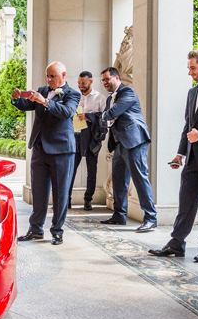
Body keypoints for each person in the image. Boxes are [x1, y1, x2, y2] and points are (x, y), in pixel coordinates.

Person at [148, 50, 198, 261]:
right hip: (192, 158)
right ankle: (176, 243)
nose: (190, 73)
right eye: (189, 68)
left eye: (193, 68)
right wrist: (180, 153)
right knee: (186, 203)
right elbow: (188, 125)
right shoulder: (192, 93)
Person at [12, 61, 81, 245]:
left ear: (63, 75)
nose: (49, 80)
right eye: (47, 76)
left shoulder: (73, 94)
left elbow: (67, 112)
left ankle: (57, 231)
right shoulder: (42, 89)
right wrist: (17, 98)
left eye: (53, 76)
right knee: (39, 191)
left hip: (62, 150)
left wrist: (45, 101)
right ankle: (35, 230)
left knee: (60, 193)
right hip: (40, 148)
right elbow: (26, 105)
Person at [98, 67, 158, 232]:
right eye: (102, 80)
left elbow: (112, 113)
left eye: (107, 79)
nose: (104, 83)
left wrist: (106, 116)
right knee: (118, 180)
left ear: (116, 78)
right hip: (119, 144)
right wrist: (107, 116)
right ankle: (119, 215)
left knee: (139, 178)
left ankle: (151, 218)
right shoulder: (110, 99)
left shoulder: (127, 92)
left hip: (134, 141)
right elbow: (106, 118)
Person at [70, 71, 107, 211]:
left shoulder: (100, 98)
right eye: (79, 83)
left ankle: (88, 200)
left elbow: (105, 118)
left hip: (92, 138)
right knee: (70, 169)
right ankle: (66, 199)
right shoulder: (74, 96)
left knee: (92, 170)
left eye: (83, 83)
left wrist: (89, 116)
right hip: (75, 136)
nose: (80, 86)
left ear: (91, 82)